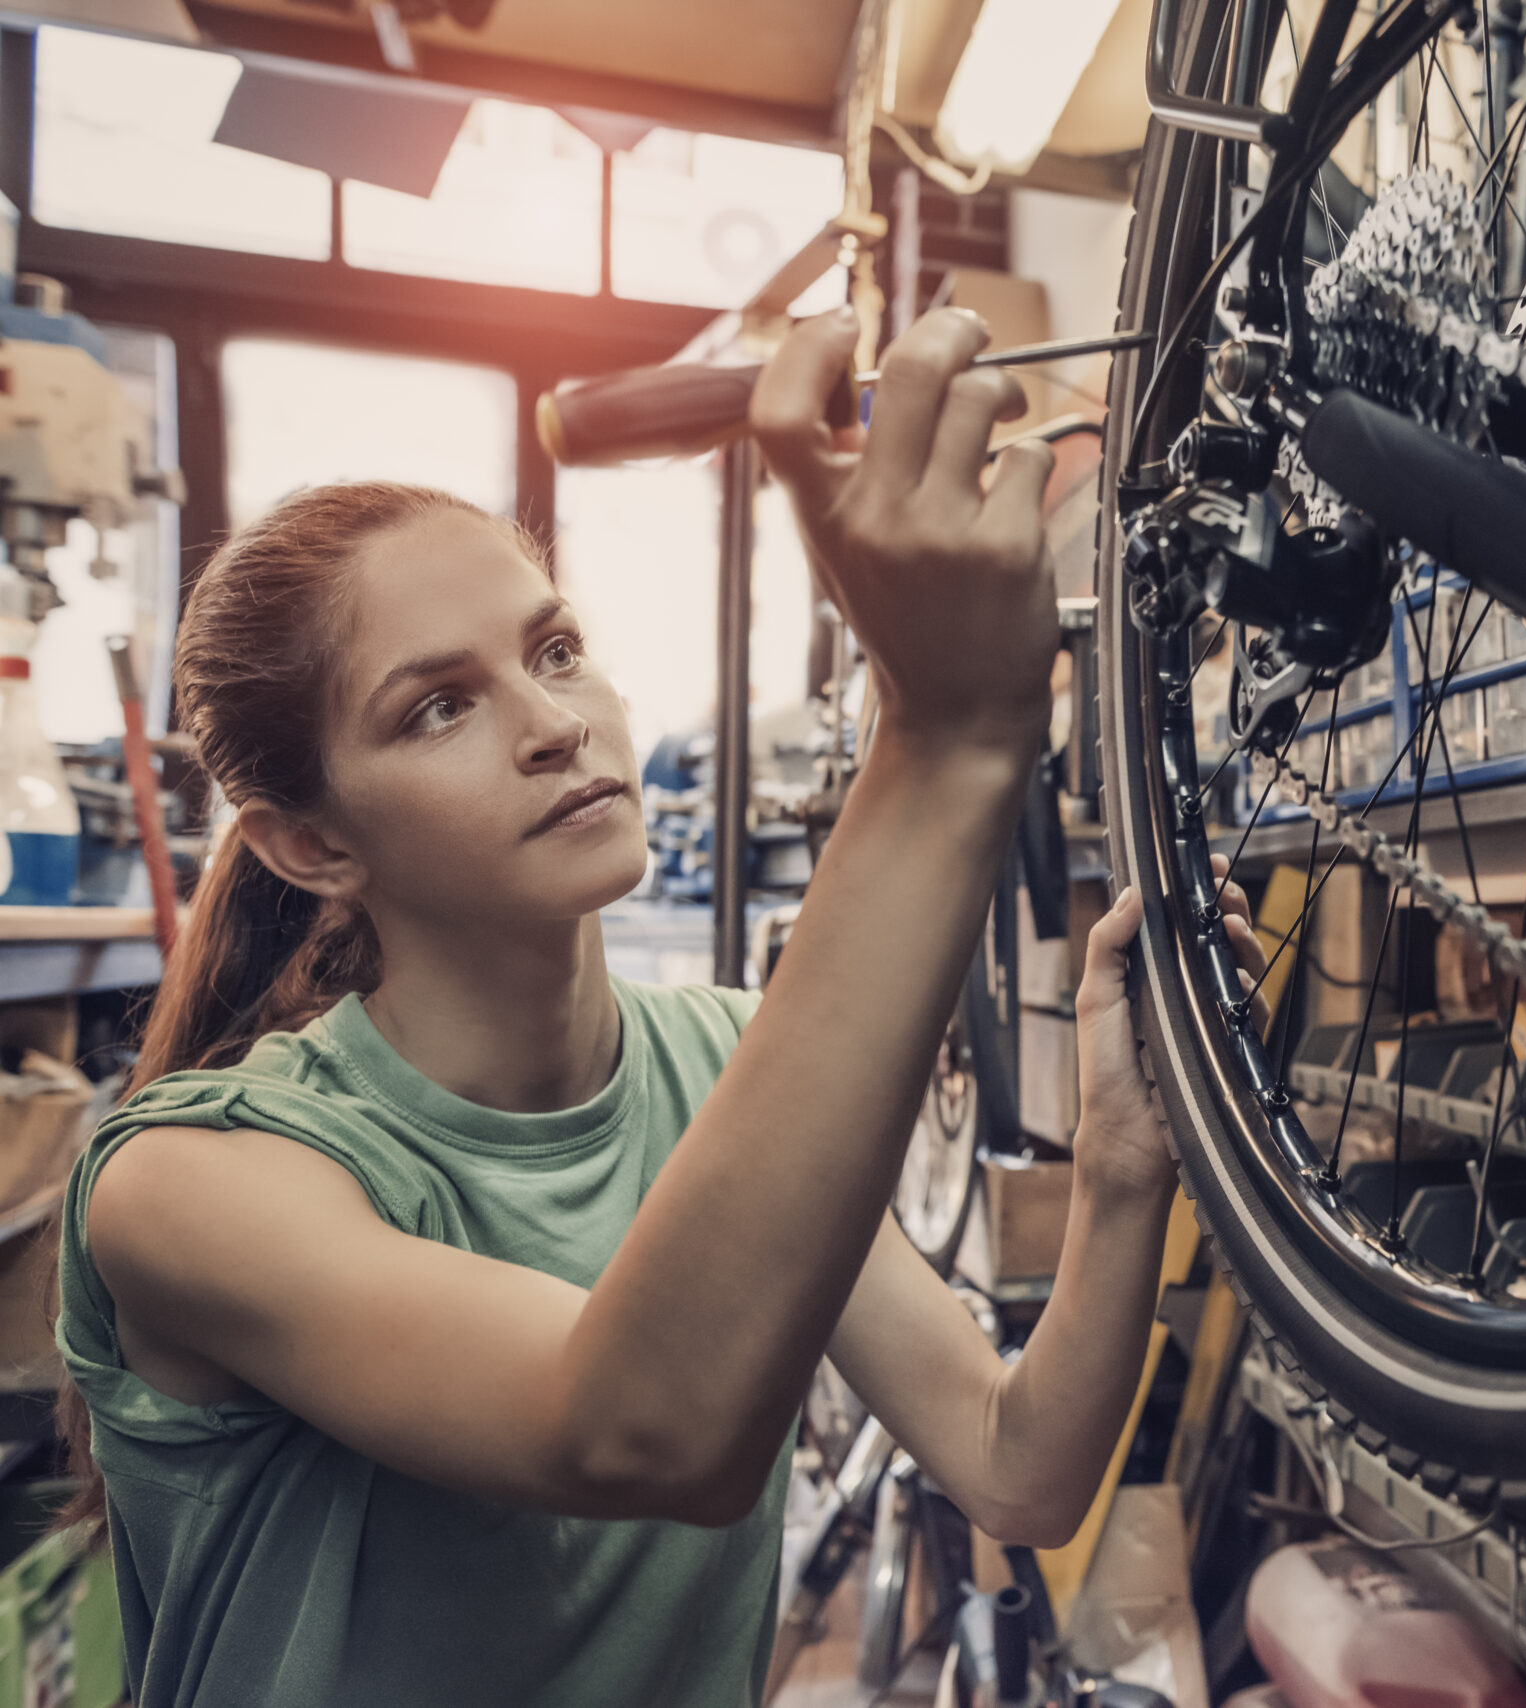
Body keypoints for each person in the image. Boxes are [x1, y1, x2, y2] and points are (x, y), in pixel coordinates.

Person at [50, 307, 1265, 1707]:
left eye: (554, 649)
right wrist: (940, 736)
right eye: (437, 707)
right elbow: (639, 1431)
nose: (554, 722)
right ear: (310, 847)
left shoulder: (723, 1063)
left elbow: (1019, 1467)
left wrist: (1122, 1169)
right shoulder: (183, 1187)